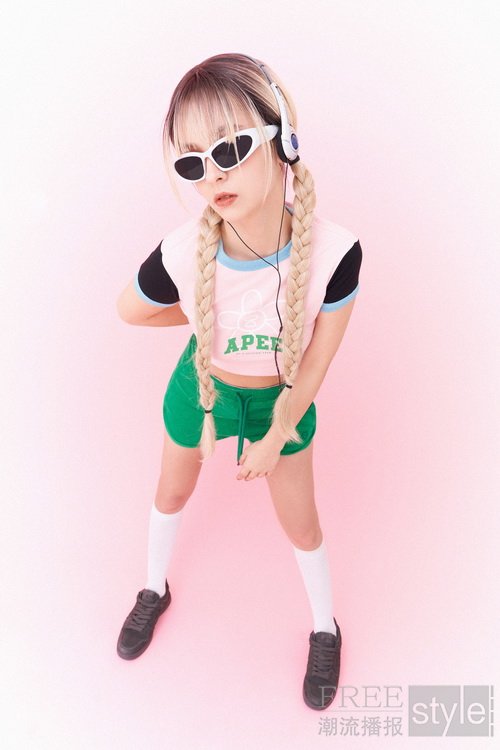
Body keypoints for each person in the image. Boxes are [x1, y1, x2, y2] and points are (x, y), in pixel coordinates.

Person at [115, 52, 363, 711]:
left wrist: (277, 433)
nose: (213, 174)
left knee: (301, 523)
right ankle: (153, 588)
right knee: (171, 490)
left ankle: (325, 626)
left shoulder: (336, 253)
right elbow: (129, 309)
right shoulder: (181, 251)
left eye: (229, 149)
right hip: (201, 390)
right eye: (192, 162)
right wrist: (208, 314)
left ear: (284, 141)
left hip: (283, 401)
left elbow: (316, 363)